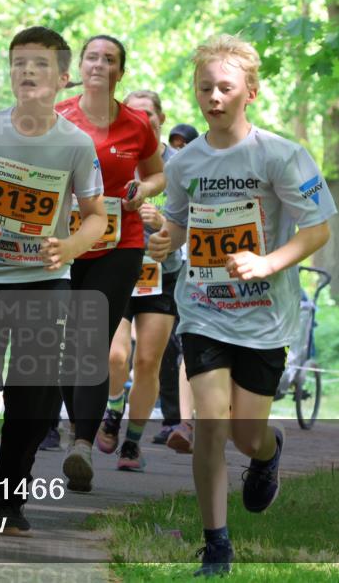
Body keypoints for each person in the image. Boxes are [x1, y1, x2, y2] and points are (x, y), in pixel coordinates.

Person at [148, 34, 335, 576]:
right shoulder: (185, 161)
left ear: (249, 91)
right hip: (204, 309)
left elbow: (318, 228)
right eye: (204, 87)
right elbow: (180, 221)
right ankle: (217, 545)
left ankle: (268, 451)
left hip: (263, 316)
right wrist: (168, 239)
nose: (214, 97)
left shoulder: (280, 154)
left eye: (225, 87)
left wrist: (269, 263)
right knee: (210, 421)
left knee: (244, 434)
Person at [0, 26, 106, 534]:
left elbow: (97, 216)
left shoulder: (77, 144)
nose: (28, 72)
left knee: (34, 396)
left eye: (39, 64)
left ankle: (10, 498)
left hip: (44, 277)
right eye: (18, 63)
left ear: (63, 77)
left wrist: (71, 245)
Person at [54, 35, 164, 492]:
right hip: (66, 241)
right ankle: (78, 428)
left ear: (121, 72)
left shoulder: (137, 124)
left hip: (120, 243)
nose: (100, 64)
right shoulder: (58, 116)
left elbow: (157, 171)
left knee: (93, 339)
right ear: (81, 67)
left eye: (110, 59)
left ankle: (81, 444)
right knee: (66, 343)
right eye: (93, 57)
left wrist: (146, 190)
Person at [94, 89, 185, 471]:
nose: (142, 119)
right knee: (116, 354)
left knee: (148, 361)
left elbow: (197, 218)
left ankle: (132, 442)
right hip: (118, 264)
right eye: (135, 112)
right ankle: (114, 407)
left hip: (161, 272)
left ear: (160, 119)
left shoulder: (179, 164)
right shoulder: (114, 155)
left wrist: (161, 223)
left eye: (149, 114)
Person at [152, 123, 199, 449]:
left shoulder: (182, 167)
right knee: (166, 350)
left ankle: (181, 421)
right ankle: (179, 422)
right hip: (140, 267)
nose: (179, 148)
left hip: (176, 269)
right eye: (175, 142)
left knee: (179, 347)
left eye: (186, 144)